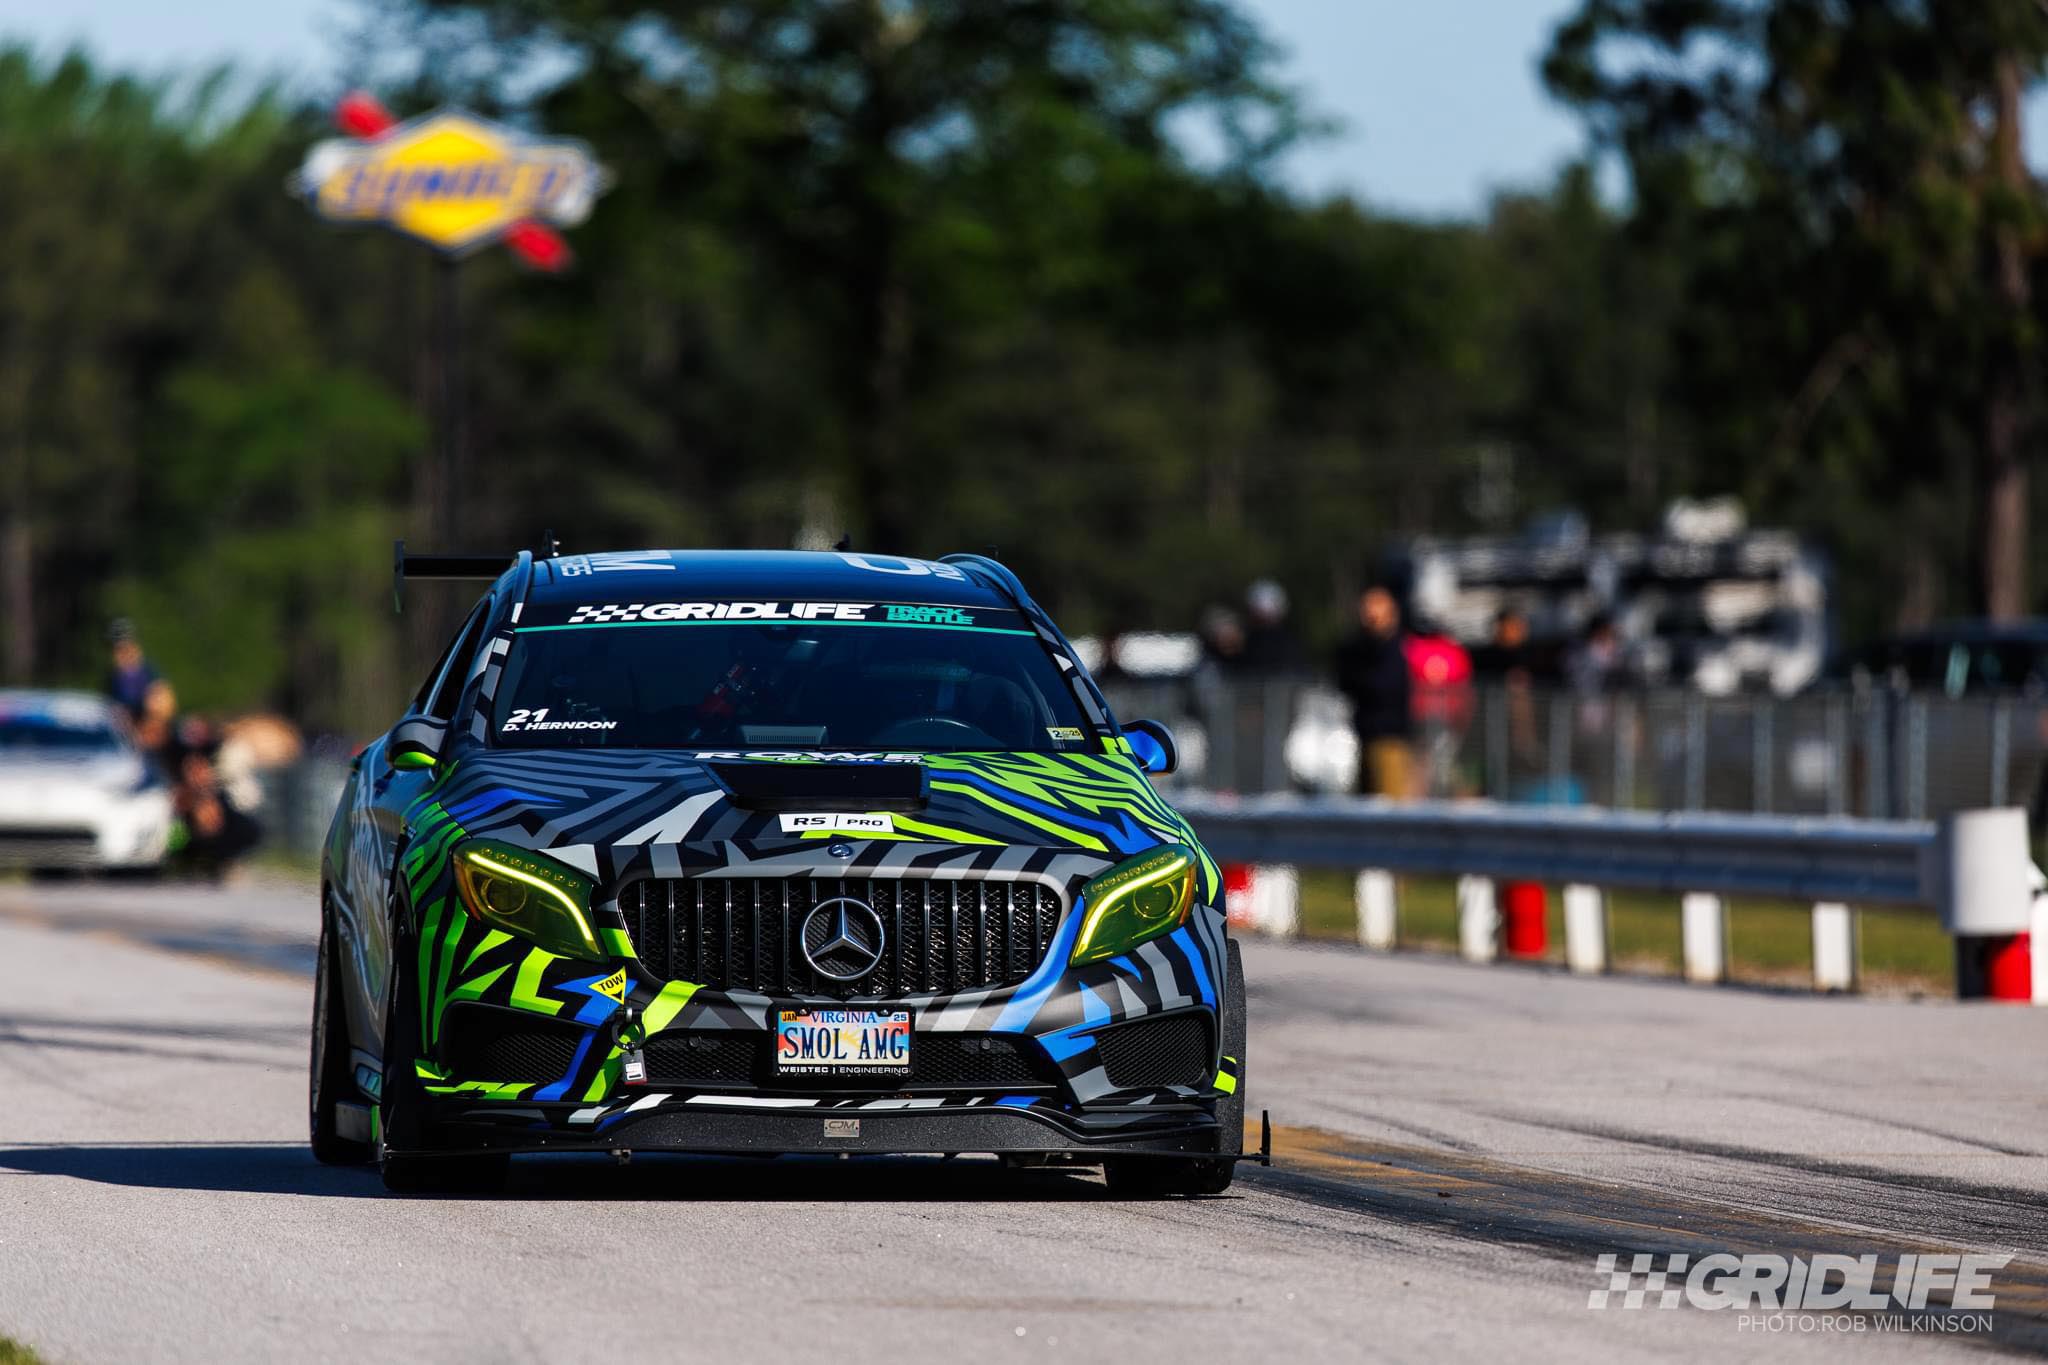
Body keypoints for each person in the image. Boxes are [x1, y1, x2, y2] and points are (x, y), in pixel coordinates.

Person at [1334, 587, 1414, 798]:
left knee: (1390, 804)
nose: (1369, 614)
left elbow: (1383, 686)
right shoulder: (1360, 647)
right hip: (1363, 735)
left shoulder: (1395, 648)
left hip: (1389, 737)